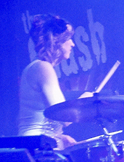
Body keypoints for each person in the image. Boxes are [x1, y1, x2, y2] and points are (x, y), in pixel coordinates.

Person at [18, 14, 87, 149]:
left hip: (36, 142)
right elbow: (63, 116)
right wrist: (84, 102)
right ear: (56, 41)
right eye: (69, 39)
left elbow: (42, 117)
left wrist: (60, 138)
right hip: (36, 146)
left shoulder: (38, 68)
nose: (72, 44)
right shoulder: (43, 67)